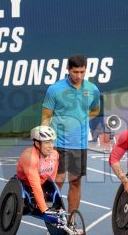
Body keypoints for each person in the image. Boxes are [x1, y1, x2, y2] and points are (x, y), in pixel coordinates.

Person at [41, 54, 100, 213]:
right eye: (75, 72)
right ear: (68, 69)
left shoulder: (92, 89)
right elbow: (46, 117)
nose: (79, 76)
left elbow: (95, 110)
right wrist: (44, 142)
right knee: (57, 181)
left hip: (79, 144)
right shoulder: (55, 89)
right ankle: (55, 218)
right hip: (58, 143)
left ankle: (71, 219)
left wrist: (81, 120)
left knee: (75, 182)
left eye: (82, 72)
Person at [16, 126, 59, 215]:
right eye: (47, 142)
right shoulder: (29, 157)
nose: (51, 146)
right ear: (37, 143)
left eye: (52, 142)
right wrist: (44, 209)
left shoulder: (55, 155)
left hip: (42, 182)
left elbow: (52, 178)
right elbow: (35, 185)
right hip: (26, 184)